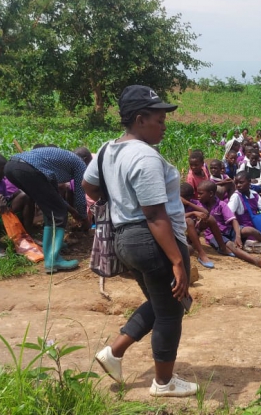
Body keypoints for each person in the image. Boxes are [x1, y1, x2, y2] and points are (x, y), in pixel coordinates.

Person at [83, 85, 198, 397]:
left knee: (160, 303)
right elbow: (154, 214)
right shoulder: (144, 156)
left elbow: (88, 186)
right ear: (139, 118)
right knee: (172, 312)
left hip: (126, 240)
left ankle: (114, 352)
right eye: (159, 120)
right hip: (153, 240)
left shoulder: (108, 149)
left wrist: (118, 200)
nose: (164, 125)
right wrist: (177, 260)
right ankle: (164, 383)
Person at [4, 145, 89, 273]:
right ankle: (53, 260)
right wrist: (83, 216)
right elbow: (80, 194)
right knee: (59, 214)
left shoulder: (56, 164)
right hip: (27, 169)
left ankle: (51, 248)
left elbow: (55, 197)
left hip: (11, 167)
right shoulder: (80, 164)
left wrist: (73, 211)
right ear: (86, 159)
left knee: (50, 209)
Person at [196, 180, 261, 267]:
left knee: (250, 230)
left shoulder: (221, 204)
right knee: (231, 245)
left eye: (200, 194)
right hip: (214, 235)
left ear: (210, 194)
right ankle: (255, 260)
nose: (198, 196)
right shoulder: (198, 206)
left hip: (227, 230)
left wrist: (238, 236)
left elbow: (233, 220)